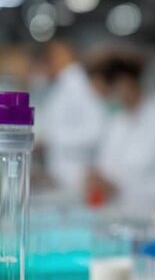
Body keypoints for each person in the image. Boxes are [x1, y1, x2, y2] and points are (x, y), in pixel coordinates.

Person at [84, 47, 155, 213]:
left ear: (125, 82)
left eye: (108, 91)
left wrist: (124, 191)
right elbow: (108, 170)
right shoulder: (117, 122)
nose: (107, 99)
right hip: (121, 219)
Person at [37, 41, 108, 195]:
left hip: (78, 175)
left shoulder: (79, 84)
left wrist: (52, 139)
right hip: (62, 176)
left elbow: (96, 131)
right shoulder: (62, 85)